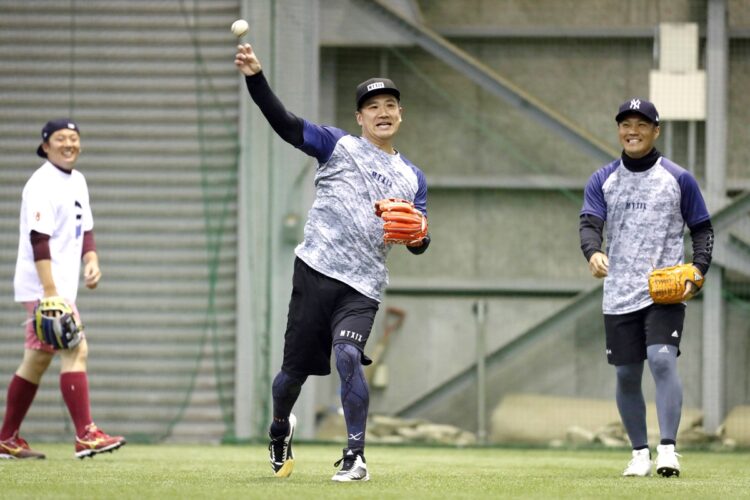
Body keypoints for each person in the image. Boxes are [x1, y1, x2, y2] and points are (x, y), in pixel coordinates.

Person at [234, 44, 430, 482]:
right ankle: (280, 429)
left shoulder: (413, 177)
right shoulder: (337, 144)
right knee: (291, 377)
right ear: (360, 118)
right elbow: (284, 125)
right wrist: (255, 77)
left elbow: (419, 239)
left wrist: (420, 236)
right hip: (316, 272)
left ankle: (355, 456)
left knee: (346, 354)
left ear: (400, 115)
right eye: (372, 106)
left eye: (390, 105)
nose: (383, 112)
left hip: (363, 285)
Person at [579, 98, 713, 478]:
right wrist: (592, 252)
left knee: (661, 359)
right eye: (625, 124)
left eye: (641, 124)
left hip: (664, 291)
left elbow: (702, 229)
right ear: (619, 130)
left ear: (656, 131)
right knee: (625, 375)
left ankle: (668, 449)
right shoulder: (602, 179)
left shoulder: (678, 178)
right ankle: (640, 453)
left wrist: (697, 272)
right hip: (618, 293)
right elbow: (589, 223)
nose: (632, 131)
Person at [0, 119, 126, 460]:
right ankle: (86, 434)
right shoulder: (40, 184)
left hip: (58, 287)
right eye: (60, 139)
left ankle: (7, 439)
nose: (68, 143)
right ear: (45, 146)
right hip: (43, 287)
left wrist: (92, 259)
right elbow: (38, 241)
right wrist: (51, 292)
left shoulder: (78, 180)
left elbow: (86, 228)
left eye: (73, 138)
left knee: (37, 360)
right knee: (76, 348)